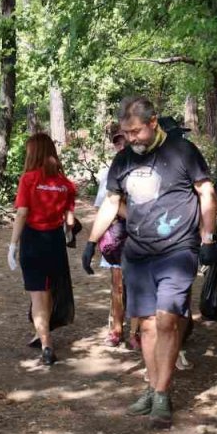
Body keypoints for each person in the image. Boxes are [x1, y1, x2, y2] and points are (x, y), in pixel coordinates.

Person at [83, 96, 217, 429]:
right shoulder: (123, 162)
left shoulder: (182, 152)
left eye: (136, 131)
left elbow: (207, 192)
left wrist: (208, 239)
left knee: (167, 319)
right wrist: (90, 242)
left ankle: (161, 393)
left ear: (153, 122)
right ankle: (152, 386)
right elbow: (112, 203)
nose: (131, 139)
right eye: (125, 133)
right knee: (145, 326)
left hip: (177, 250)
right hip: (138, 254)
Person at [7, 134, 76, 366]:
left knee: (38, 293)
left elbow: (22, 213)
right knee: (48, 289)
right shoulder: (65, 183)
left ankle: (46, 345)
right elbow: (69, 218)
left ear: (33, 152)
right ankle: (41, 332)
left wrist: (12, 245)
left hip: (33, 240)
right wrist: (67, 233)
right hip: (55, 241)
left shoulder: (29, 179)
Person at [93, 124, 140, 350]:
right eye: (116, 141)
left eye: (123, 139)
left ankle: (137, 332)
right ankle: (116, 329)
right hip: (119, 235)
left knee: (140, 284)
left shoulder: (144, 166)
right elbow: (104, 204)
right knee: (118, 285)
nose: (120, 144)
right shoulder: (110, 171)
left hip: (143, 236)